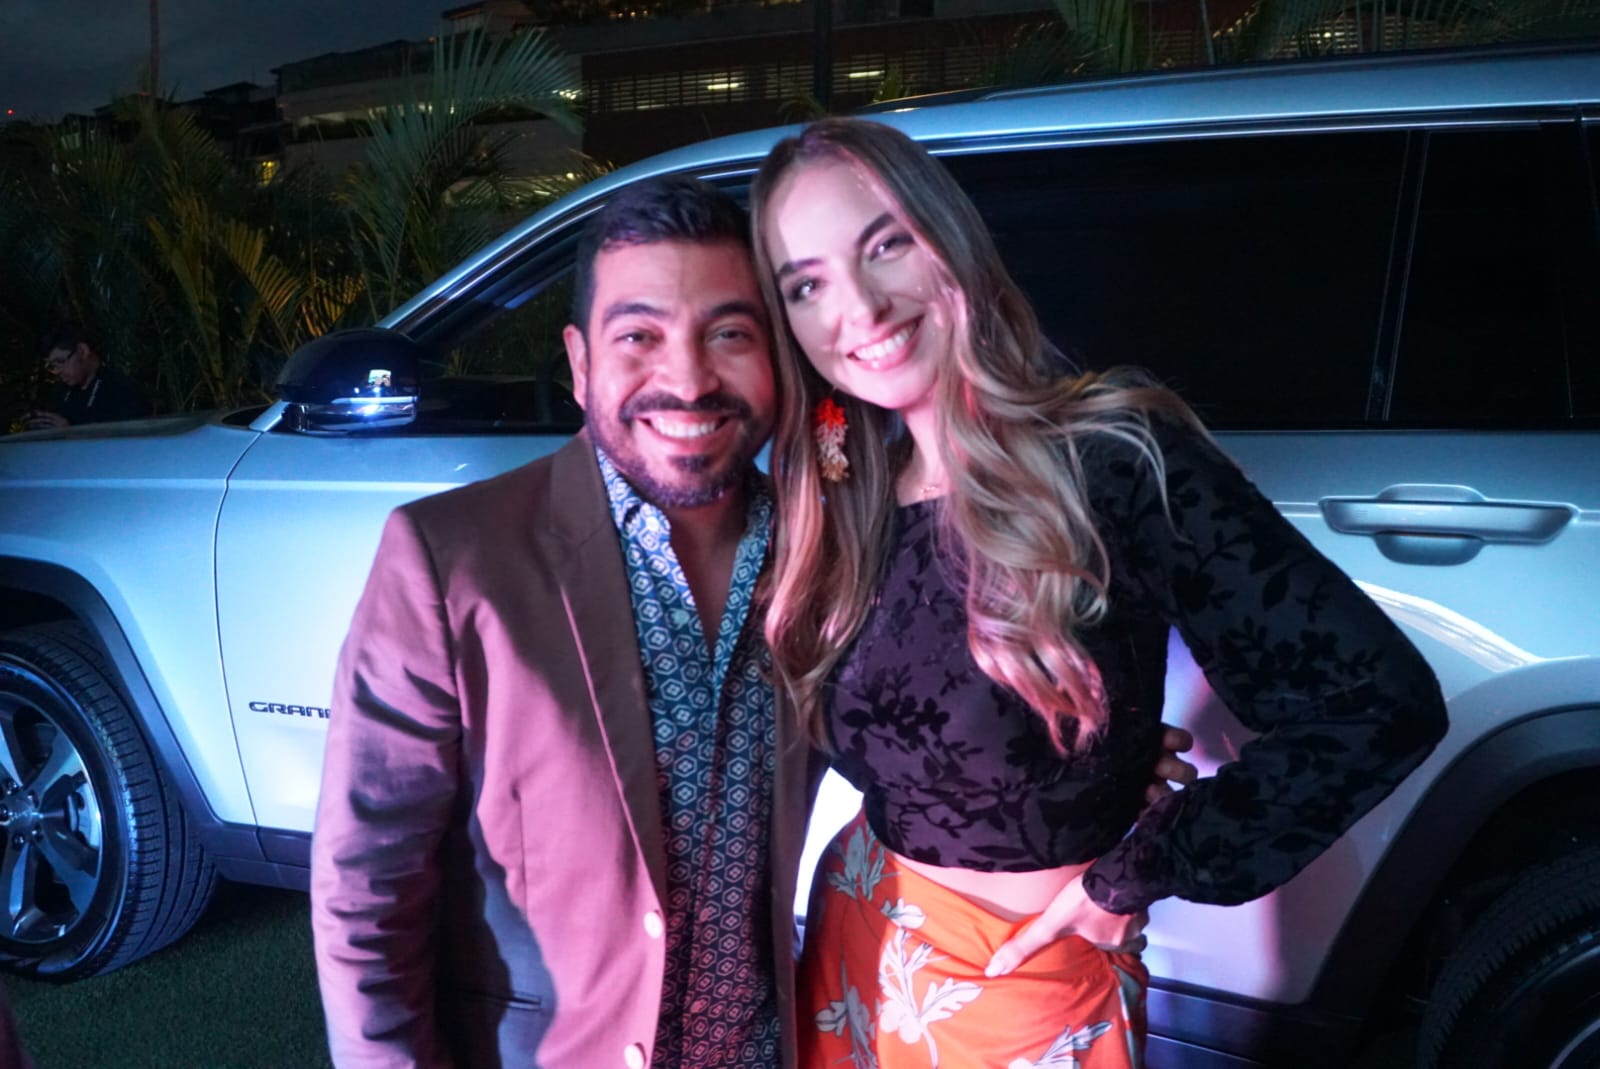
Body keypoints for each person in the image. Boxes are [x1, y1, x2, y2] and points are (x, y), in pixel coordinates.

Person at [311, 175, 1198, 1069]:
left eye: (729, 334)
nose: (688, 379)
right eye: (639, 336)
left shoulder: (828, 550)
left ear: (780, 356)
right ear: (579, 364)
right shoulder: (450, 559)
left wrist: (1088, 768)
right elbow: (366, 889)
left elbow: (926, 727)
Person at [750, 117, 1450, 1069]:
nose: (860, 307)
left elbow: (1375, 703)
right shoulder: (845, 499)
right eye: (807, 284)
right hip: (855, 947)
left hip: (1025, 987)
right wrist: (1098, 761)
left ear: (949, 241)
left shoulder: (1112, 462)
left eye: (886, 245)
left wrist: (1138, 867)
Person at [24, 323, 149, 429]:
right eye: (52, 366)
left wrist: (69, 431)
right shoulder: (60, 393)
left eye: (60, 362)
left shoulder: (122, 390)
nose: (56, 372)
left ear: (83, 351)